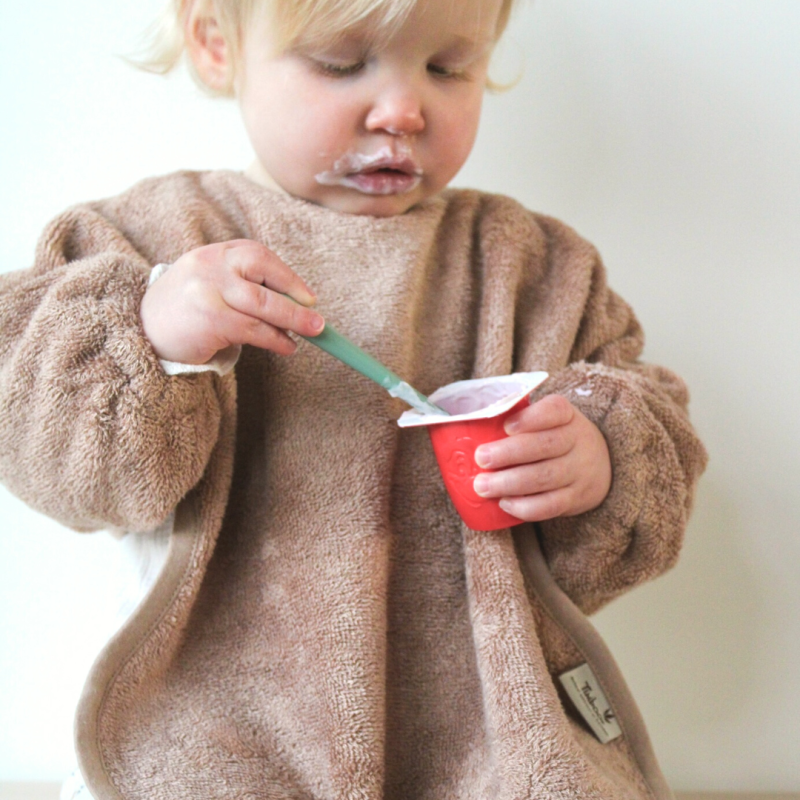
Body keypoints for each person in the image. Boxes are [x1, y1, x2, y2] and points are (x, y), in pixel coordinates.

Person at [0, 0, 707, 797]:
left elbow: (651, 455)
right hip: (216, 719)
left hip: (490, 727)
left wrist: (600, 456)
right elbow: (59, 463)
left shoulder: (534, 269)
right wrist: (153, 329)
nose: (404, 110)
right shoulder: (147, 240)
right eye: (340, 63)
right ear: (215, 44)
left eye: (449, 67)